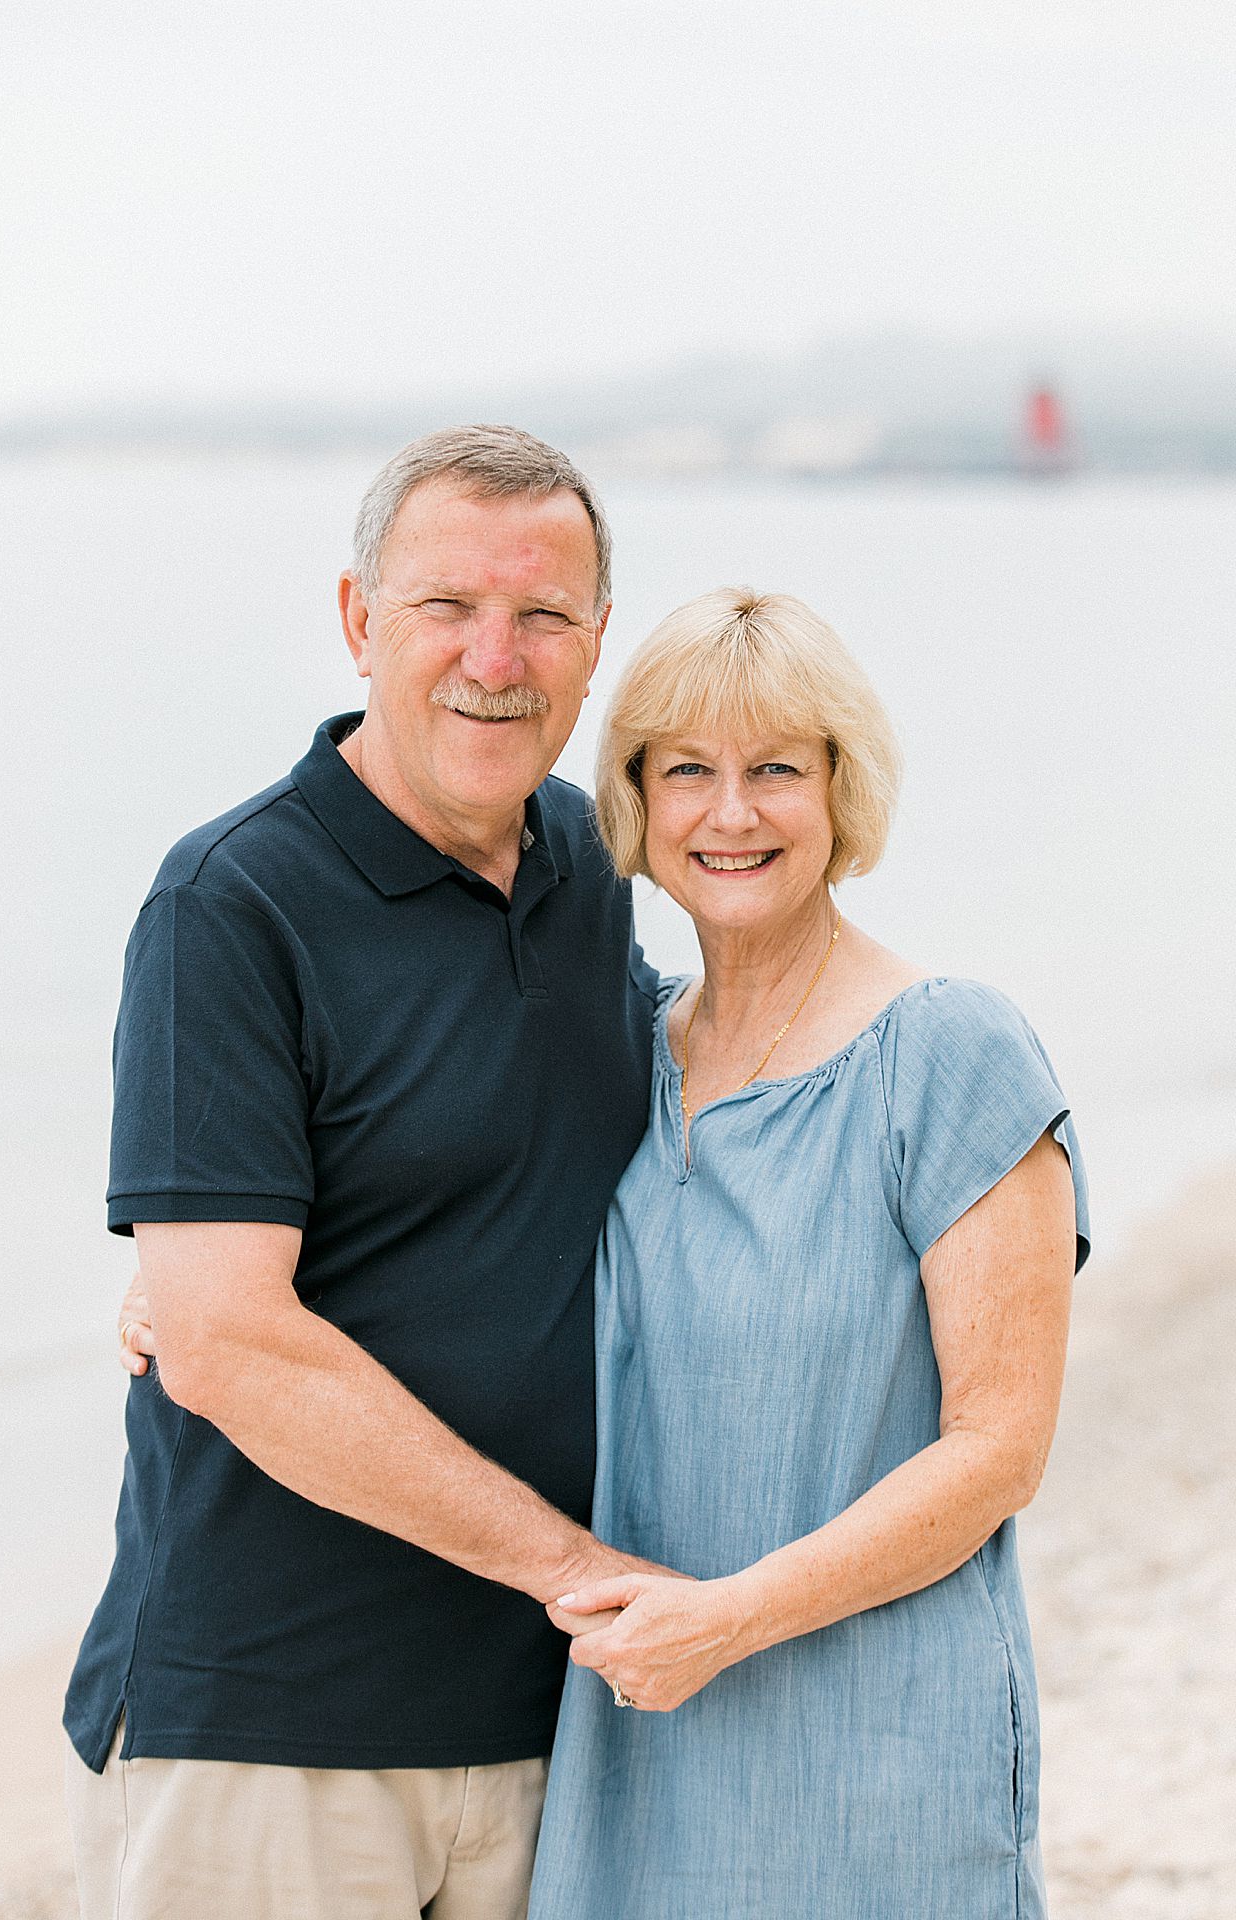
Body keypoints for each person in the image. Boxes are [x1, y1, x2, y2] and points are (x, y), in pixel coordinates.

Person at [64, 425, 674, 1920]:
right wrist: (577, 1570)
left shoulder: (590, 864)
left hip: (545, 1729)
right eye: (444, 606)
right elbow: (230, 1342)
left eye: (543, 615)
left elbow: (705, 1088)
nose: (494, 658)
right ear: (357, 619)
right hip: (271, 1737)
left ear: (598, 641)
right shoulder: (230, 905)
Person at [526, 588, 1090, 1919]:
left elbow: (998, 1449)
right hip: (640, 1737)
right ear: (635, 800)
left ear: (843, 787)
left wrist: (728, 1619)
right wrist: (205, 1276)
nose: (731, 813)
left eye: (776, 768)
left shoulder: (948, 1054)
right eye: (687, 771)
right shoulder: (618, 1049)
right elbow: (451, 1226)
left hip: (879, 1753)